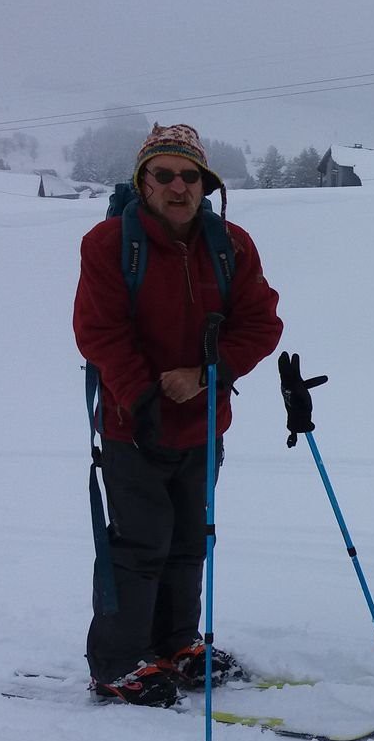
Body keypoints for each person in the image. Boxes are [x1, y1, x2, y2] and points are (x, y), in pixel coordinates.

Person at [73, 123, 283, 707]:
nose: (178, 186)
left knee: (191, 541)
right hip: (131, 427)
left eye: (190, 176)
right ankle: (117, 663)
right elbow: (98, 331)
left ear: (205, 184)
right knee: (140, 546)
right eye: (163, 174)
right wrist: (140, 399)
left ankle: (176, 645)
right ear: (142, 181)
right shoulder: (109, 244)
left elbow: (262, 324)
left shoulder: (231, 244)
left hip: (203, 424)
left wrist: (210, 375)